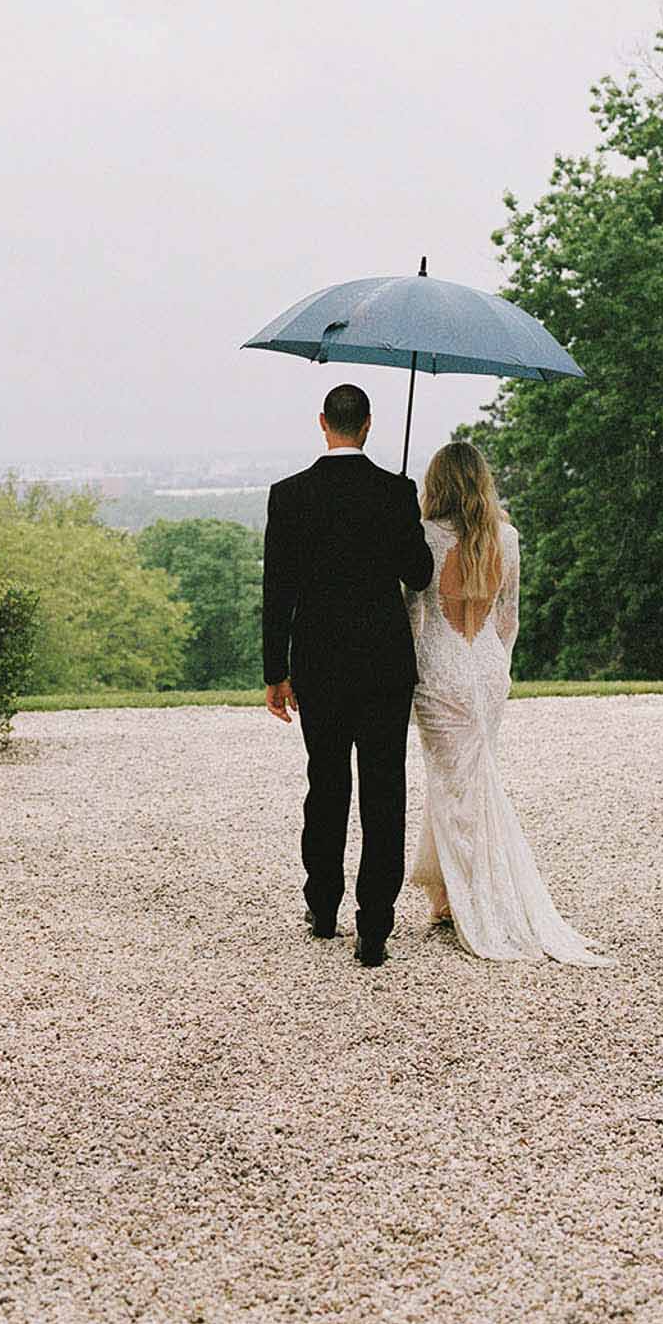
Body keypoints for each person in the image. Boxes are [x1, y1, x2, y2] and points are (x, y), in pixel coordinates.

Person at [407, 440, 615, 965]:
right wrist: (498, 667)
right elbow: (509, 618)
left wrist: (408, 669)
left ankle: (475, 899)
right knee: (472, 781)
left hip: (440, 667)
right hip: (486, 666)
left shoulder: (425, 539)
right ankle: (447, 893)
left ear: (438, 484)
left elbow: (414, 616)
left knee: (451, 784)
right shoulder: (508, 538)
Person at [262, 383, 435, 967]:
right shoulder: (396, 491)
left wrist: (274, 672)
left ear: (323, 423)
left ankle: (323, 903)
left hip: (319, 664)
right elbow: (420, 574)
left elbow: (277, 593)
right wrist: (401, 522)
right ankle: (376, 925)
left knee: (327, 783)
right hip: (384, 664)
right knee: (384, 789)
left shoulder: (288, 496)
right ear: (367, 426)